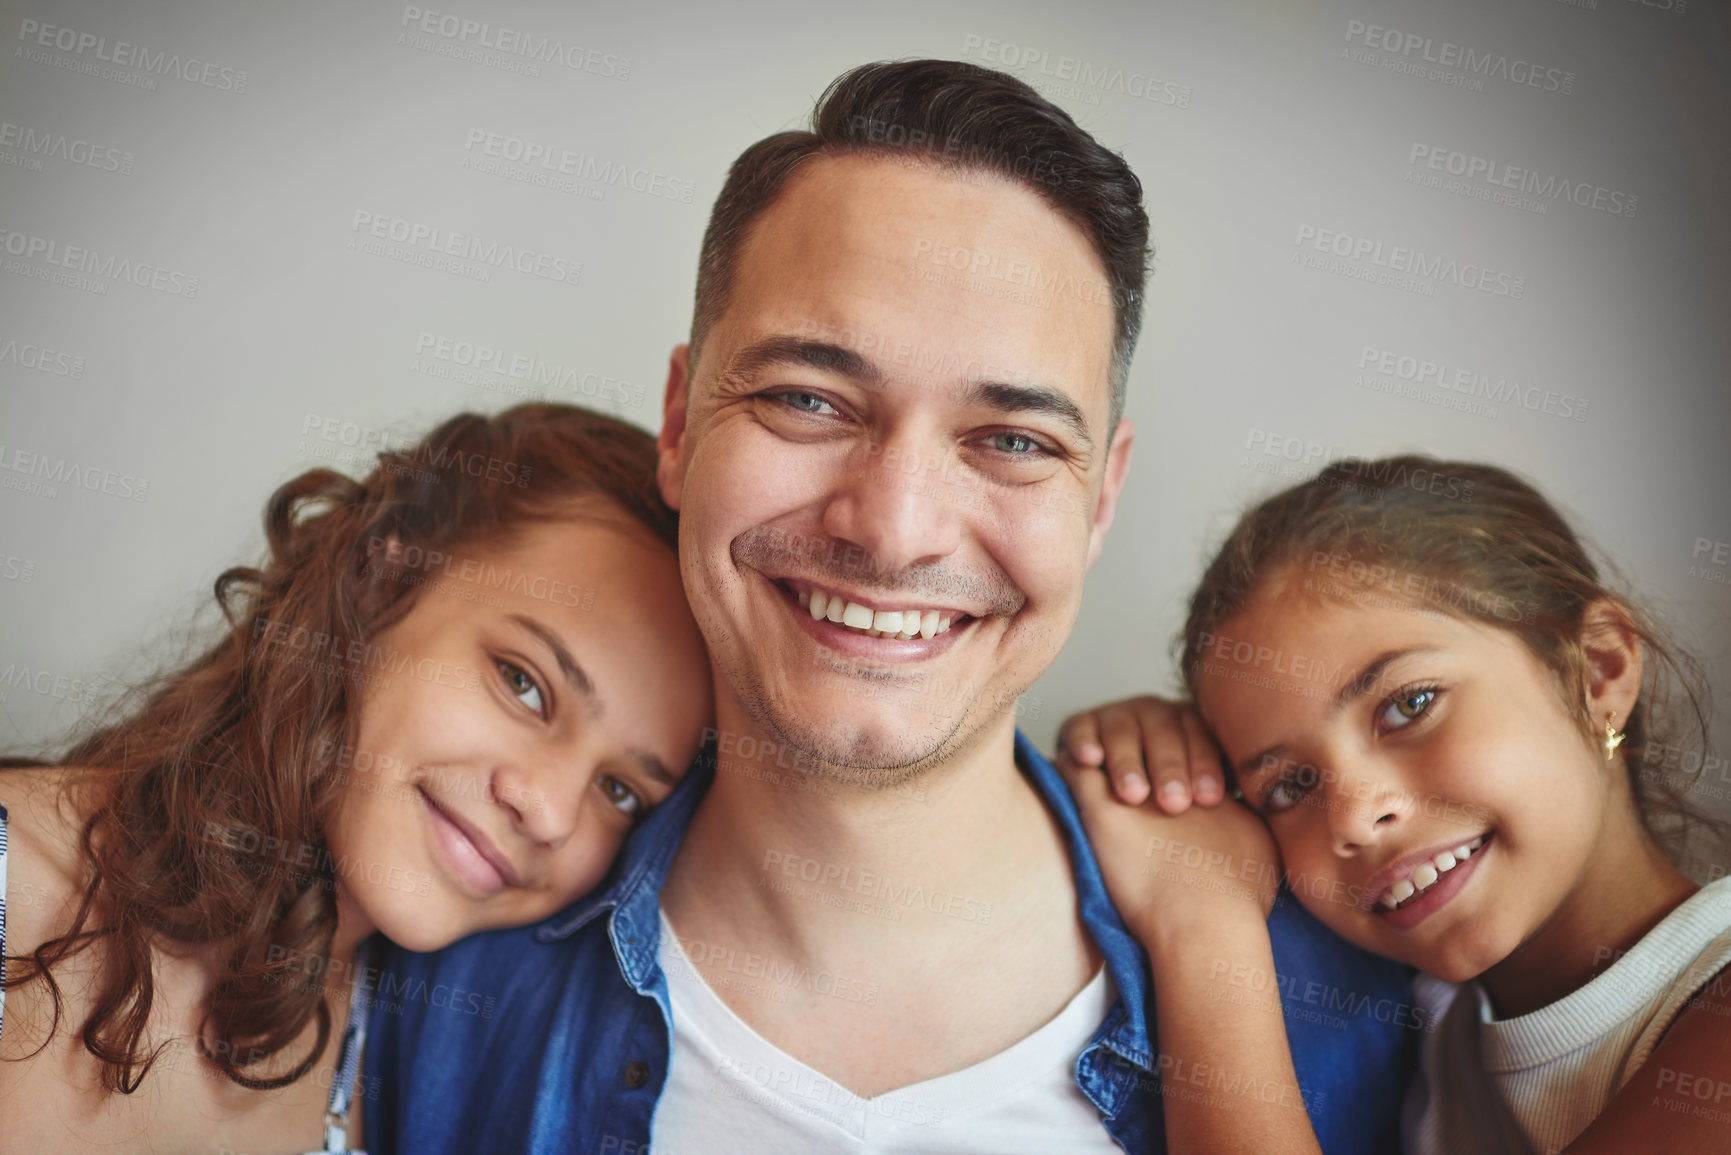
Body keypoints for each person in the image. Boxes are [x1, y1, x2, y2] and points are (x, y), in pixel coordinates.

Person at [362, 60, 1414, 1155]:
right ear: (679, 425)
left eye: (1011, 441)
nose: (893, 528)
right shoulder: (428, 954)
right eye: (808, 400)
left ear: (1100, 499)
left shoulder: (1348, 1003)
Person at [0, 403, 713, 1153]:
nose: (548, 810)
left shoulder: (405, 1075)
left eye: (620, 791)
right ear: (379, 577)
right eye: (523, 682)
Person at [1059, 455, 1731, 1153]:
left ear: (1598, 669)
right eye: (1290, 785)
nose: (1352, 816)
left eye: (1409, 705)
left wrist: (1201, 923)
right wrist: (1159, 770)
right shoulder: (1419, 1020)